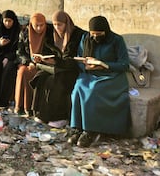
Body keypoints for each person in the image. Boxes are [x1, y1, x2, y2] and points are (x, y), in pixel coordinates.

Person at [68, 16, 130, 147]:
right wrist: (86, 65)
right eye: (93, 34)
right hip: (90, 74)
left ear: (105, 31)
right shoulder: (86, 38)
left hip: (111, 76)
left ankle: (90, 130)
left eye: (99, 34)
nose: (95, 37)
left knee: (93, 91)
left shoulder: (117, 40)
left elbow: (124, 65)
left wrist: (104, 64)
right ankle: (77, 128)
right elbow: (80, 58)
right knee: (78, 87)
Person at [30, 11, 85, 128]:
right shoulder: (52, 35)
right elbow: (47, 52)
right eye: (54, 25)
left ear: (66, 24)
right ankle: (42, 114)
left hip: (71, 69)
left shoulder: (77, 35)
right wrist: (43, 59)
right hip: (56, 68)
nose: (56, 28)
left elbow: (74, 59)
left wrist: (57, 62)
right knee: (41, 77)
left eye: (59, 25)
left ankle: (59, 117)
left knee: (54, 80)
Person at [14, 13, 52, 116]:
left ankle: (29, 107)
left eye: (42, 25)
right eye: (36, 25)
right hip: (27, 62)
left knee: (29, 73)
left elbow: (52, 51)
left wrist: (42, 59)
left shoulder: (50, 32)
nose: (39, 28)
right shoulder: (25, 32)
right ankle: (20, 106)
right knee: (23, 72)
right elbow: (20, 52)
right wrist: (28, 62)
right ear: (31, 24)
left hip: (43, 64)